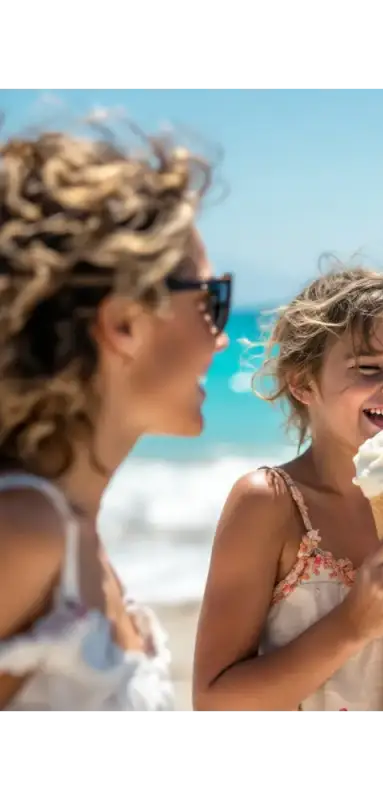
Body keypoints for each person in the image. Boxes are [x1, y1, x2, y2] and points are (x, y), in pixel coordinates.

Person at [0, 120, 231, 711]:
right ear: (124, 323)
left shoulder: (72, 532)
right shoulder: (25, 532)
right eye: (211, 302)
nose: (221, 340)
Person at [193, 266, 383, 711]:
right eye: (368, 367)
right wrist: (354, 623)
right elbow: (214, 700)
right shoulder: (269, 502)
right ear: (303, 382)